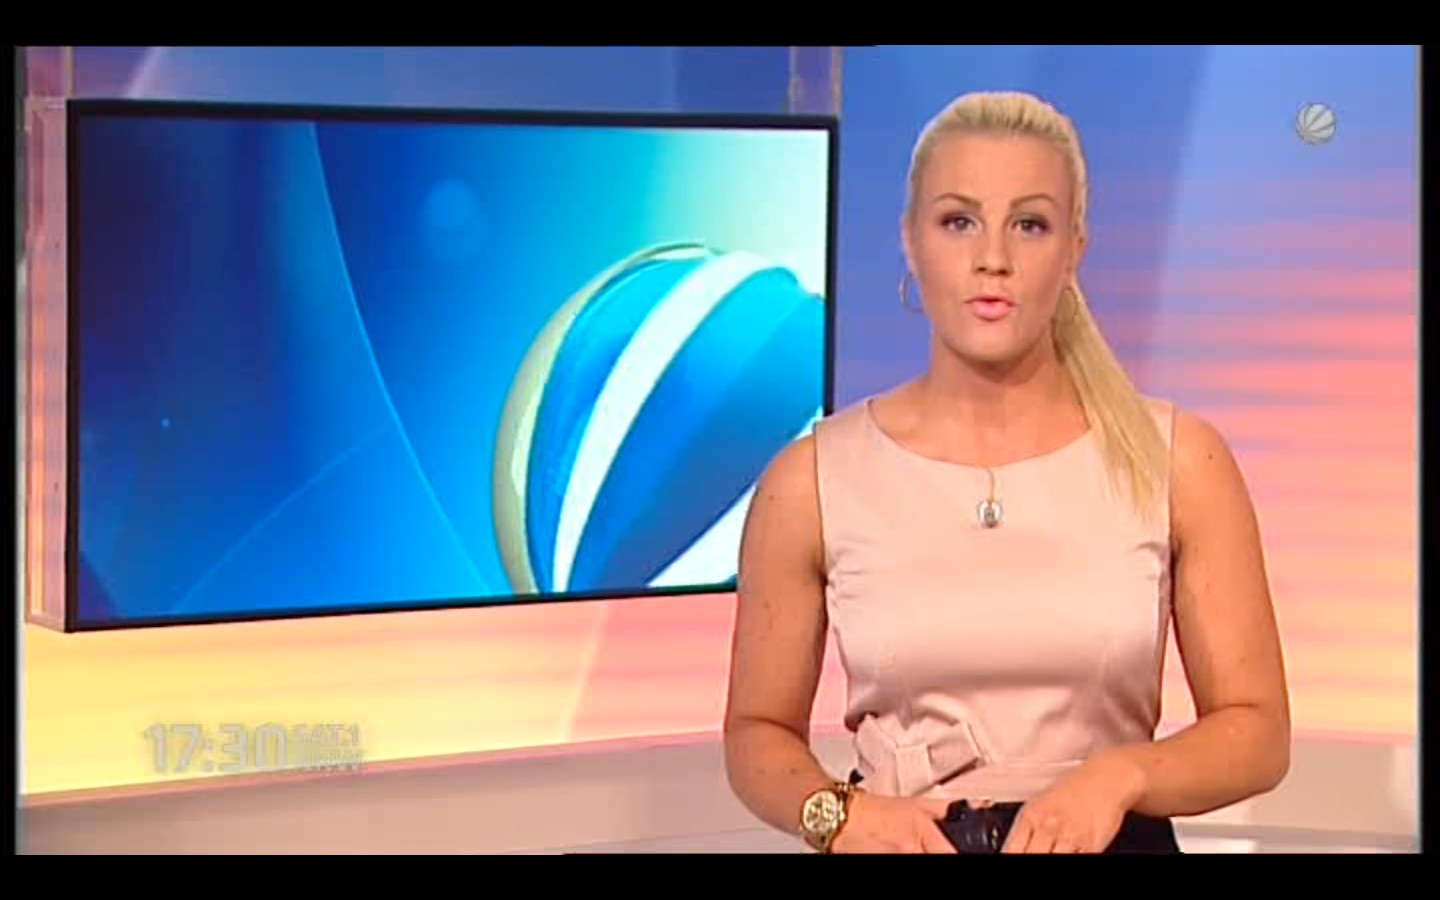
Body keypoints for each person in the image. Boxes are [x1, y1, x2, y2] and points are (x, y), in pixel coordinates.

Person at [721, 90, 1291, 854]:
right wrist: (839, 817)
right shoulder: (812, 481)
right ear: (910, 240)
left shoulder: (1179, 460)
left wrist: (1120, 778)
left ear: (1075, 247)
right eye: (959, 221)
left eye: (1030, 224)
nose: (993, 258)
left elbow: (1257, 733)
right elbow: (756, 733)